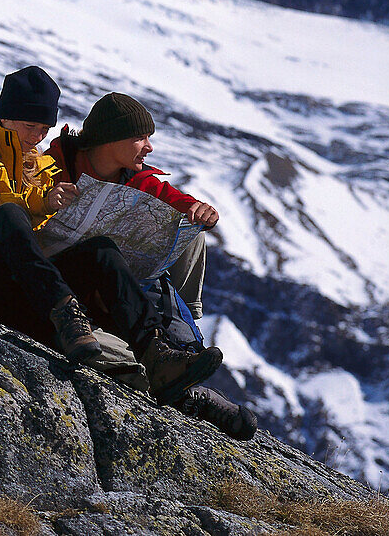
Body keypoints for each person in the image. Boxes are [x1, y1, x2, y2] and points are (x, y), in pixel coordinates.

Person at [0, 66, 223, 407]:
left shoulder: (39, 165)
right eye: (30, 126)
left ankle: (156, 353)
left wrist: (53, 207)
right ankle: (67, 314)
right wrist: (39, 202)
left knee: (102, 250)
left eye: (44, 128)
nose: (37, 136)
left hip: (20, 285)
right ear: (5, 118)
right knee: (7, 214)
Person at [49, 92, 257, 441]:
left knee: (191, 234)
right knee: (105, 352)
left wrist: (198, 209)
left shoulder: (135, 177)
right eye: (140, 138)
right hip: (67, 290)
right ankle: (191, 395)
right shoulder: (51, 168)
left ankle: (182, 343)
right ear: (110, 139)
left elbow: (172, 197)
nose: (149, 148)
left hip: (114, 289)